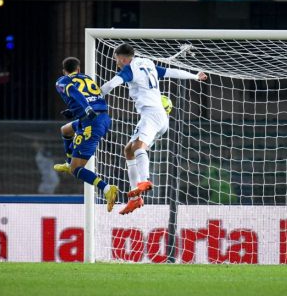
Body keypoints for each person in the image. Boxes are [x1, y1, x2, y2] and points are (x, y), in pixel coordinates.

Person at [100, 43, 207, 215]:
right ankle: (135, 199)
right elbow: (171, 72)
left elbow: (111, 84)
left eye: (117, 60)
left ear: (123, 58)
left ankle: (145, 180)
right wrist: (194, 76)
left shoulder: (129, 69)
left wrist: (95, 96)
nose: (117, 63)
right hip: (160, 117)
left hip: (151, 115)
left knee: (138, 147)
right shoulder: (147, 63)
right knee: (128, 150)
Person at [51, 57, 118, 212]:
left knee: (77, 169)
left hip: (91, 121)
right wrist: (74, 111)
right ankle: (68, 162)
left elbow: (74, 92)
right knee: (66, 130)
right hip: (102, 118)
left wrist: (86, 109)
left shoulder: (62, 81)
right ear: (79, 69)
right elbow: (94, 97)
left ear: (64, 71)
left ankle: (107, 188)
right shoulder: (87, 78)